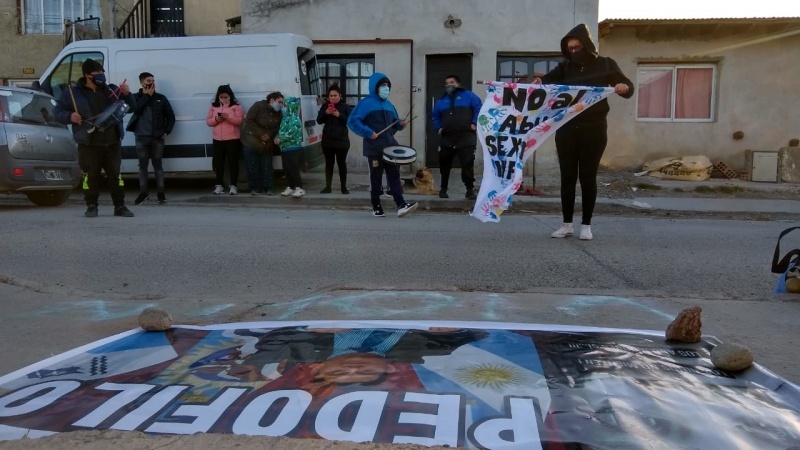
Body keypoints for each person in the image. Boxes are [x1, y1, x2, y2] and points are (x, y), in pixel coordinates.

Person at [533, 23, 634, 241]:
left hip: (594, 131)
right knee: (567, 178)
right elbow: (547, 83)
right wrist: (539, 81)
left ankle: (586, 225)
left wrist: (623, 87)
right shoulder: (565, 67)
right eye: (570, 48)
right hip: (567, 130)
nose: (574, 51)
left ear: (587, 45)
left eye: (577, 47)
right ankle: (566, 224)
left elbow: (627, 87)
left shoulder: (606, 64)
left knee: (587, 178)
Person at [53, 58, 136, 218]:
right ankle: (91, 206)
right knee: (89, 176)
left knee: (116, 176)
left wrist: (128, 94)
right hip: (88, 143)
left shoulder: (111, 90)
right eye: (98, 73)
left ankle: (120, 206)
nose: (102, 75)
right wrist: (69, 116)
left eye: (102, 72)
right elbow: (57, 112)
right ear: (87, 75)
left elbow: (132, 108)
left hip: (112, 142)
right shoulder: (72, 93)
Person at [347, 72, 418, 218]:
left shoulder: (389, 104)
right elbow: (352, 121)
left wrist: (401, 124)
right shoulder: (365, 103)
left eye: (387, 85)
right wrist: (368, 132)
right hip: (373, 148)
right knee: (376, 178)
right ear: (375, 86)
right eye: (383, 85)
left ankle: (401, 205)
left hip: (390, 147)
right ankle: (376, 206)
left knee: (394, 176)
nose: (386, 88)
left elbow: (394, 124)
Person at [127, 72, 175, 205]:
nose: (151, 83)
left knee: (158, 165)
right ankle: (143, 193)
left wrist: (167, 131)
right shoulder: (135, 97)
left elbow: (171, 116)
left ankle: (161, 193)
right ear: (142, 82)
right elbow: (134, 110)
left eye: (153, 80)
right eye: (148, 80)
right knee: (143, 166)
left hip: (157, 138)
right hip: (141, 137)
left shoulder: (161, 98)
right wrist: (146, 96)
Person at [431, 74, 483, 200]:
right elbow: (435, 117)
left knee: (467, 164)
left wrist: (474, 123)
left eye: (452, 82)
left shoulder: (469, 96)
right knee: (444, 164)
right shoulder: (440, 101)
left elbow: (479, 108)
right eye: (447, 83)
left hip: (466, 137)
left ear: (458, 84)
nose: (449, 85)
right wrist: (439, 128)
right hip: (447, 138)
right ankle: (443, 189)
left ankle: (469, 190)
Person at [241, 91, 283, 196]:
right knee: (253, 166)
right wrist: (261, 134)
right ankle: (255, 188)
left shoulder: (278, 113)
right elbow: (249, 121)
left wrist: (269, 134)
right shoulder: (258, 106)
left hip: (266, 142)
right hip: (251, 141)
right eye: (279, 102)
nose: (281, 105)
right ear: (272, 100)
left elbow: (277, 127)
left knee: (267, 166)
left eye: (282, 103)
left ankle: (269, 188)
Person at [206, 85, 244, 195]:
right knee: (219, 163)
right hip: (218, 139)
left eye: (226, 97)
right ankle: (219, 185)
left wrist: (228, 117)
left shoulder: (236, 106)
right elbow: (208, 122)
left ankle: (234, 185)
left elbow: (239, 121)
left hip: (232, 139)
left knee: (233, 163)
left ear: (230, 96)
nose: (223, 99)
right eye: (221, 97)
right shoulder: (213, 106)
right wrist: (216, 119)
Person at [316, 84, 352, 194]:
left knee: (341, 164)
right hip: (328, 141)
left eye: (335, 95)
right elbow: (319, 120)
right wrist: (326, 113)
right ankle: (328, 187)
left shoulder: (345, 107)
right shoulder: (325, 106)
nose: (332, 98)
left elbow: (349, 121)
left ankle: (343, 187)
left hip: (342, 141)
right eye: (330, 96)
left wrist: (338, 114)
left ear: (340, 95)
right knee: (329, 164)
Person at [275, 97, 305, 198]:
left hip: (293, 147)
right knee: (287, 169)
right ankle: (290, 187)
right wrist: (277, 137)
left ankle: (299, 188)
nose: (284, 108)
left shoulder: (295, 119)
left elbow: (292, 132)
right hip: (285, 148)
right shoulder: (285, 118)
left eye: (286, 106)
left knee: (293, 168)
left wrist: (281, 139)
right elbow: (282, 130)